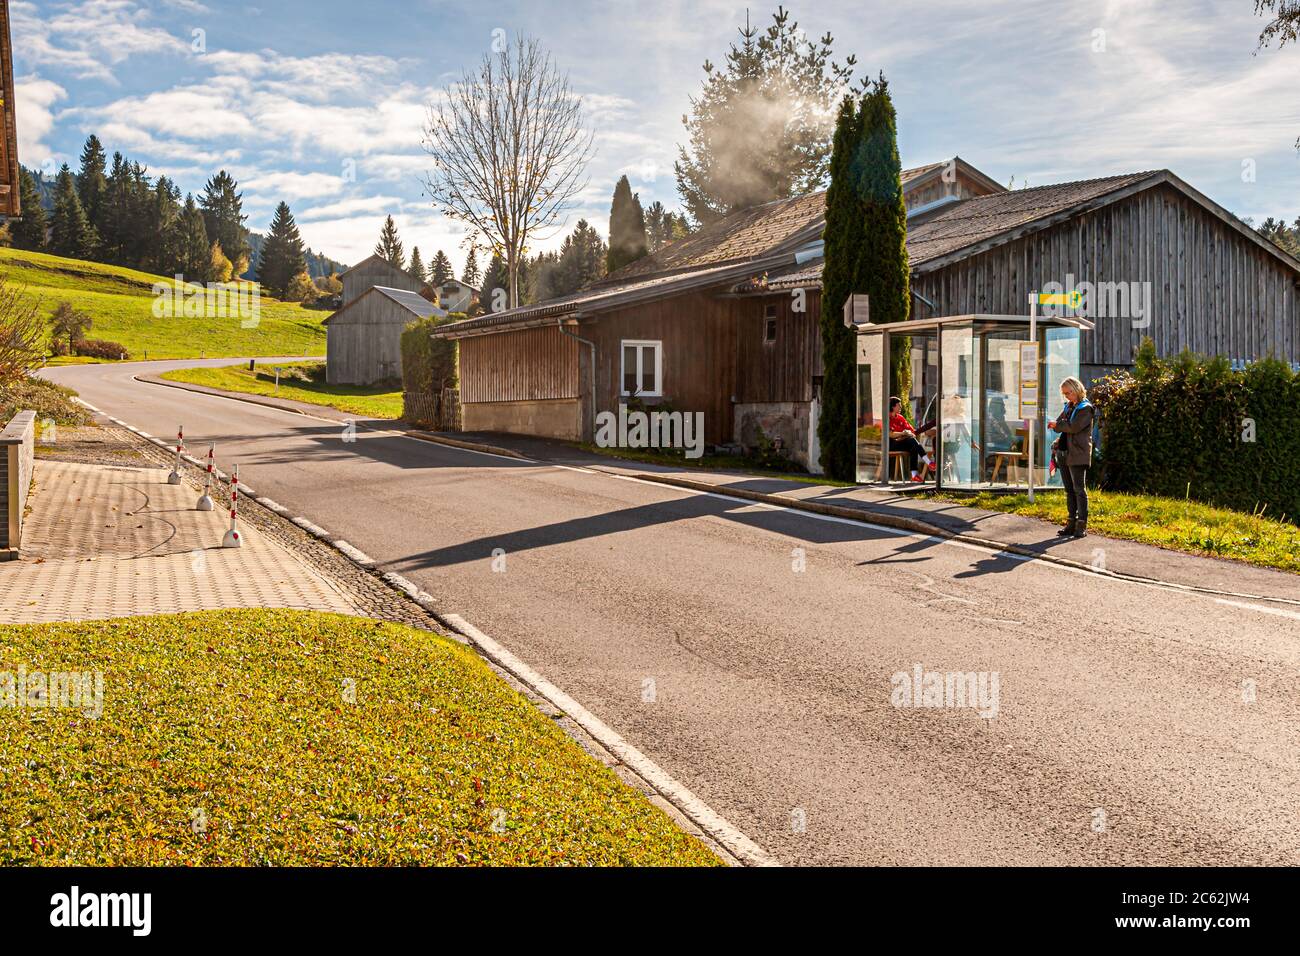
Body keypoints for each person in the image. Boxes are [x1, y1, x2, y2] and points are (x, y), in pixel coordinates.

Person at [1047, 377, 1094, 537]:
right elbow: (1060, 424)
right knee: (1069, 490)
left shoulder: (1085, 408)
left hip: (1078, 453)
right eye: (1065, 394)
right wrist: (1057, 425)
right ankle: (1070, 523)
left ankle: (1081, 525)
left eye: (1069, 393)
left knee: (1079, 489)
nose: (1067, 396)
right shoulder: (1069, 406)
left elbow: (1073, 427)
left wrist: (1058, 425)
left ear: (1077, 389)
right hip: (1064, 452)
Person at [888, 396, 933, 481]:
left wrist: (908, 433)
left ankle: (914, 474)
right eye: (899, 405)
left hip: (902, 442)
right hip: (891, 444)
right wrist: (903, 433)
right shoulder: (887, 418)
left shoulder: (900, 417)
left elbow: (911, 430)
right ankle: (928, 462)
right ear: (893, 407)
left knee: (913, 446)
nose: (901, 407)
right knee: (912, 442)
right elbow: (891, 435)